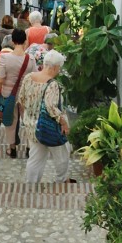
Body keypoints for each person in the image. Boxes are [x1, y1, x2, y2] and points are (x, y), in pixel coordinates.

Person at [17, 49, 73, 183]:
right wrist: (64, 123)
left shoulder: (28, 77)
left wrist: (26, 119)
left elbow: (21, 100)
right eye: (59, 67)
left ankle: (31, 184)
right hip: (50, 127)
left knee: (35, 158)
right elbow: (51, 107)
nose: (59, 70)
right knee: (62, 154)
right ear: (54, 67)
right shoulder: (52, 84)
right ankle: (62, 179)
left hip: (32, 126)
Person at [0, 28, 37, 158]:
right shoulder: (30, 59)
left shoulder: (4, 57)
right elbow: (34, 78)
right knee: (28, 121)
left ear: (12, 41)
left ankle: (12, 148)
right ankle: (29, 148)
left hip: (8, 94)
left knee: (10, 121)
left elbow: (0, 79)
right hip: (26, 95)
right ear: (25, 41)